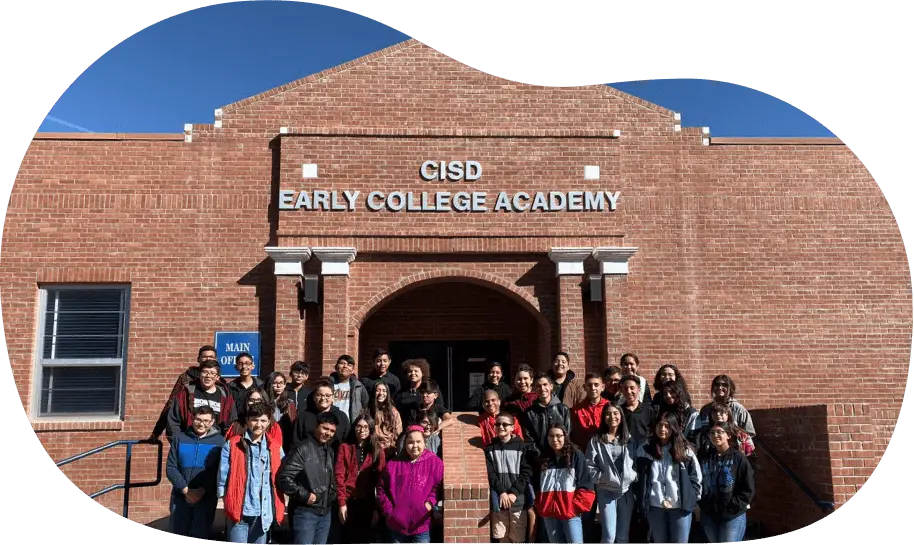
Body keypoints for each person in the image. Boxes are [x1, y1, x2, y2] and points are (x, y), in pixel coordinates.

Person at [217, 403, 286, 544]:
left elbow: (282, 476)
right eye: (255, 420)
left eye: (263, 421)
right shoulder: (232, 444)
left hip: (264, 512)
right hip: (240, 510)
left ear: (268, 422)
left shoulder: (275, 447)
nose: (258, 424)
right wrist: (224, 498)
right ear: (248, 420)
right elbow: (223, 476)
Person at [633, 412, 702, 544]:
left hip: (680, 506)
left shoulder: (684, 449)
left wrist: (692, 497)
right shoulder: (645, 450)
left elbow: (695, 476)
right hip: (655, 506)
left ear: (673, 427)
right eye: (660, 425)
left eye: (667, 426)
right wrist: (641, 498)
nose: (663, 429)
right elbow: (638, 476)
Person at [276, 412, 340, 545]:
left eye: (332, 431)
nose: (328, 433)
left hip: (325, 513)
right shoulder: (302, 448)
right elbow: (284, 478)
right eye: (325, 428)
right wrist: (305, 496)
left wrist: (332, 495)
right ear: (316, 426)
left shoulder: (329, 450)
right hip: (306, 513)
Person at [376, 425, 445, 544]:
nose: (415, 446)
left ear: (424, 443)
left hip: (421, 524)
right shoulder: (393, 464)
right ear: (405, 443)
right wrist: (389, 511)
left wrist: (428, 504)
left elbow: (437, 487)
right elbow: (381, 489)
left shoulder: (435, 463)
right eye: (411, 442)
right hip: (396, 526)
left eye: (419, 442)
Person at [165, 405, 224, 540]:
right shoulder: (180, 439)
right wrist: (186, 491)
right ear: (192, 419)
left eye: (206, 421)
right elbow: (171, 467)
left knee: (200, 536)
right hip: (181, 497)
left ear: (212, 422)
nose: (201, 424)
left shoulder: (220, 442)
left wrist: (201, 491)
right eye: (198, 419)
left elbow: (218, 471)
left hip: (206, 498)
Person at [532, 424, 595, 544]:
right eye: (551, 436)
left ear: (565, 436)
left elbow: (586, 483)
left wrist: (575, 507)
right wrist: (541, 504)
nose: (555, 439)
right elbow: (537, 485)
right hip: (549, 512)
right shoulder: (544, 458)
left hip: (570, 512)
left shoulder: (575, 455)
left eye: (558, 436)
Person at [585, 402, 638, 544]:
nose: (612, 416)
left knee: (622, 537)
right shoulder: (596, 439)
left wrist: (632, 476)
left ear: (621, 416)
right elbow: (589, 464)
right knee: (609, 536)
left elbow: (637, 462)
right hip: (606, 490)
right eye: (608, 413)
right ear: (603, 417)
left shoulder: (630, 439)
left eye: (615, 413)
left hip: (626, 491)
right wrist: (602, 478)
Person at [151, 345, 227, 441]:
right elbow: (171, 405)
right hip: (188, 435)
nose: (207, 359)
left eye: (211, 357)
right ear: (198, 359)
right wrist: (157, 432)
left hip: (213, 437)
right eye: (204, 356)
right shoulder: (186, 378)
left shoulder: (221, 384)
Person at [698, 422, 756, 543]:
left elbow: (748, 488)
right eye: (712, 433)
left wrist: (733, 505)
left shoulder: (738, 458)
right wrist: (703, 504)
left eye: (719, 432)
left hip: (732, 515)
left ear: (728, 435)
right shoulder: (705, 457)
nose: (715, 435)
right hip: (709, 514)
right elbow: (699, 482)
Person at [335, 414, 387, 544]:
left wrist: (377, 508)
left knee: (366, 538)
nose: (362, 430)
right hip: (348, 500)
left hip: (368, 501)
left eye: (365, 427)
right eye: (358, 426)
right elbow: (339, 475)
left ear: (370, 429)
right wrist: (342, 503)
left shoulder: (377, 450)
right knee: (349, 537)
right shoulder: (345, 447)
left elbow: (381, 481)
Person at [484, 412, 534, 544]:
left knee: (517, 539)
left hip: (518, 501)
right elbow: (491, 474)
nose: (501, 427)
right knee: (502, 538)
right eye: (498, 424)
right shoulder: (489, 449)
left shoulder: (522, 447)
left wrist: (513, 493)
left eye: (505, 424)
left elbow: (526, 472)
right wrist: (502, 492)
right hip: (499, 502)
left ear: (512, 427)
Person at [167, 359, 237, 441]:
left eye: (212, 373)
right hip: (188, 442)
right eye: (205, 372)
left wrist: (224, 444)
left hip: (216, 446)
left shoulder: (226, 399)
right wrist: (178, 442)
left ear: (218, 377)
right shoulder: (185, 394)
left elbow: (231, 425)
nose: (208, 376)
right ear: (199, 374)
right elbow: (173, 421)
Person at [329, 354, 369, 427]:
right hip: (330, 424)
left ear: (353, 370)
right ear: (336, 367)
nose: (345, 366)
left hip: (351, 426)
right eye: (342, 363)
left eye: (349, 365)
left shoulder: (359, 387)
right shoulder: (327, 384)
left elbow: (365, 406)